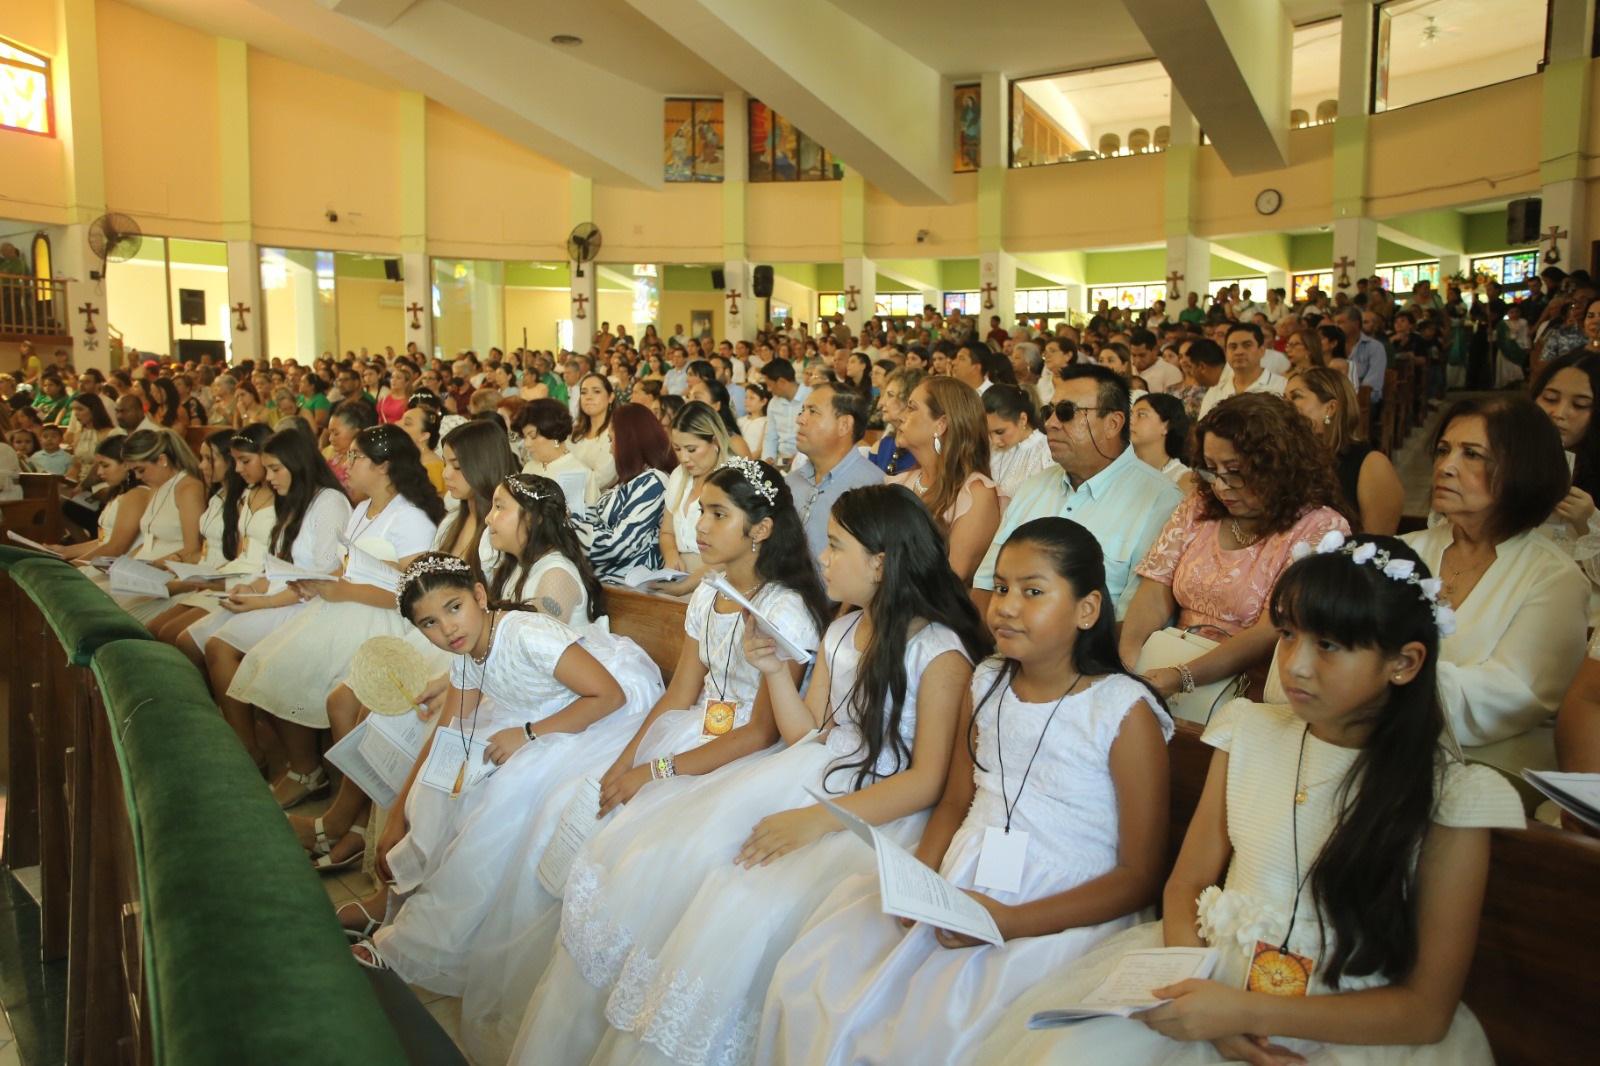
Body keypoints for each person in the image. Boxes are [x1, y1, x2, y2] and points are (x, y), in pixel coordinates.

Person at [978, 534, 1525, 1066]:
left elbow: (1426, 1010)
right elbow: (1187, 882)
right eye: (1288, 636)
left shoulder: (1452, 795)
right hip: (1212, 978)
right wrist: (1196, 991)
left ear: (1404, 662)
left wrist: (1240, 1011)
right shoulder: (1247, 731)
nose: (1296, 665)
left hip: (1345, 1023)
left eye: (1328, 646)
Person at [526, 485, 990, 1066]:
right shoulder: (843, 629)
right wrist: (773, 670)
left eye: (836, 546)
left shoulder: (938, 651)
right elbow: (809, 734)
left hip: (877, 808)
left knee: (746, 904)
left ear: (880, 561)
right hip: (815, 772)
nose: (823, 559)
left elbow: (926, 779)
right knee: (689, 852)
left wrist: (813, 822)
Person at [762, 517, 1173, 1064]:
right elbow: (958, 800)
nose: (1004, 606)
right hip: (966, 873)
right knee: (821, 976)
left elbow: (1140, 877)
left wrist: (1008, 921)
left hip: (1063, 903)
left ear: (1087, 609)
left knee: (953, 1026)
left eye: (1032, 592)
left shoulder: (1122, 710)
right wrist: (923, 875)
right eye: (1000, 587)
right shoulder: (986, 681)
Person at [460, 459, 828, 1062]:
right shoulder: (711, 592)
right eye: (700, 510)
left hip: (740, 755)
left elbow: (760, 732)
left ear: (760, 529)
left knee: (648, 854)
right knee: (577, 803)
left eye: (718, 515)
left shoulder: (783, 610)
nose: (700, 527)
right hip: (689, 732)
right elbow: (680, 694)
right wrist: (624, 761)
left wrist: (652, 773)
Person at [353, 555, 660, 986]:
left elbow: (609, 696)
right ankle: (397, 903)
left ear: (478, 596)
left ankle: (426, 940)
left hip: (597, 711)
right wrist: (397, 810)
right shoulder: (465, 650)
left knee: (499, 802)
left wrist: (529, 734)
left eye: (454, 608)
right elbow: (449, 730)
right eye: (430, 624)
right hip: (534, 712)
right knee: (438, 786)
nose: (448, 629)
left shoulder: (526, 635)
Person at [223, 425, 443, 803]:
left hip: (381, 616)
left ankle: (356, 801)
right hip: (343, 604)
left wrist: (339, 589)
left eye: (355, 456)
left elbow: (409, 592)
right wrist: (317, 582)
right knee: (271, 664)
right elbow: (349, 565)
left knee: (325, 689)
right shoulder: (360, 509)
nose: (345, 462)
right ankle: (305, 768)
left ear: (384, 467)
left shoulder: (412, 518)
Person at [1120, 394, 1350, 707]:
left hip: (1253, 684)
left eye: (1235, 471)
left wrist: (1183, 676)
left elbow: (1275, 628)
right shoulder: (1200, 507)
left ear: (1277, 465)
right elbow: (1155, 587)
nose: (1220, 486)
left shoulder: (1320, 528)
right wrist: (1130, 660)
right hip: (1169, 660)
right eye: (1211, 470)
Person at [1401, 395, 1587, 773]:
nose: (1446, 467)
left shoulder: (1553, 576)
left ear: (1522, 469)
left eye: (1472, 454)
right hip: (1387, 737)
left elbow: (1514, 694)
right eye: (1443, 450)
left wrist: (1380, 672)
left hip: (1487, 761)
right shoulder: (1404, 551)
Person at [974, 366, 1182, 618]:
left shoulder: (1160, 501)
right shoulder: (1034, 486)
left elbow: (1135, 622)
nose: (1051, 424)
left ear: (1113, 423)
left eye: (1066, 412)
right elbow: (985, 586)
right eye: (1048, 411)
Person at [889, 377, 1000, 582]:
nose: (900, 417)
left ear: (940, 424)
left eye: (912, 408)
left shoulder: (975, 493)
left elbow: (953, 580)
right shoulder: (897, 483)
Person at [1285, 367, 1403, 535]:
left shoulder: (1371, 465)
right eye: (1284, 398)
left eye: (1296, 397)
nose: (1284, 406)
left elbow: (1374, 547)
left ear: (1330, 408)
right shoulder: (1289, 459)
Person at [1530, 351, 1600, 627]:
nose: (1559, 414)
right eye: (1550, 399)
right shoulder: (1505, 455)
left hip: (1580, 612)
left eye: (1580, 404)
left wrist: (1588, 521)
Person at [574, 403, 675, 583]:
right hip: (603, 579)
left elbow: (618, 546)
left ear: (629, 443)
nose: (610, 449)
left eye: (613, 440)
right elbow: (595, 515)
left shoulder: (653, 481)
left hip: (625, 584)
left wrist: (568, 529)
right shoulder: (628, 481)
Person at [785, 383, 884, 563]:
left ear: (844, 425)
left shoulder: (871, 488)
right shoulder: (791, 482)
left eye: (813, 412)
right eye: (803, 410)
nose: (800, 419)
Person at [657, 401, 737, 590]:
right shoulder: (679, 475)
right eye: (677, 449)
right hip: (678, 572)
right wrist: (671, 555)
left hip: (719, 579)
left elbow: (733, 553)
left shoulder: (734, 479)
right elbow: (667, 531)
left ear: (715, 442)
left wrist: (686, 586)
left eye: (691, 449)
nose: (684, 458)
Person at [53, 437, 150, 562]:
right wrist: (64, 551)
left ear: (126, 464)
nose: (99, 472)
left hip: (121, 565)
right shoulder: (118, 493)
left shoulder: (137, 495)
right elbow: (103, 541)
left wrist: (74, 565)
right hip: (107, 561)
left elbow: (116, 548)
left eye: (105, 465)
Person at [514, 398, 595, 505]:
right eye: (524, 437)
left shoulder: (580, 473)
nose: (527, 444)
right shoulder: (529, 468)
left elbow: (588, 518)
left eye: (532, 435)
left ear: (553, 433)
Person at [1198, 323, 1285, 418]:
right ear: (1226, 353)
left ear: (1262, 351)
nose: (1239, 352)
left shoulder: (1282, 387)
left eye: (1247, 345)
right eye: (1233, 347)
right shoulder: (1215, 392)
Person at [984, 384, 1053, 498]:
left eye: (1000, 432)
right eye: (988, 432)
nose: (994, 440)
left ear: (1022, 419)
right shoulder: (990, 448)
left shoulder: (1046, 453)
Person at [570, 372, 619, 495]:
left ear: (611, 397)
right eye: (584, 392)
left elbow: (601, 479)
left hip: (599, 504)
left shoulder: (614, 433)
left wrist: (569, 477)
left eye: (596, 391)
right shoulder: (575, 431)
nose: (588, 397)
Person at [1130, 392, 1192, 487]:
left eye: (1142, 415)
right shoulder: (1119, 468)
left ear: (1166, 426)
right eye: (1130, 414)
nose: (1130, 421)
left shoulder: (1182, 479)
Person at [760, 357, 808, 467]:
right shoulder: (773, 403)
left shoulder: (811, 397)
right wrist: (768, 459)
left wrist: (799, 458)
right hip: (782, 460)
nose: (768, 390)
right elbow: (770, 436)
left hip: (807, 459)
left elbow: (818, 437)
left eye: (770, 385)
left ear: (782, 382)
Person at [400, 390, 447, 495]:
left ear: (424, 435)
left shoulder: (432, 467)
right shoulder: (409, 460)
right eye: (400, 420)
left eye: (407, 423)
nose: (398, 425)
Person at [739, 383, 770, 460]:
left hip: (752, 462)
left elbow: (760, 450)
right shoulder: (740, 420)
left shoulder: (766, 422)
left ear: (763, 401)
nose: (747, 401)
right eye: (746, 397)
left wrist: (743, 462)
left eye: (752, 398)